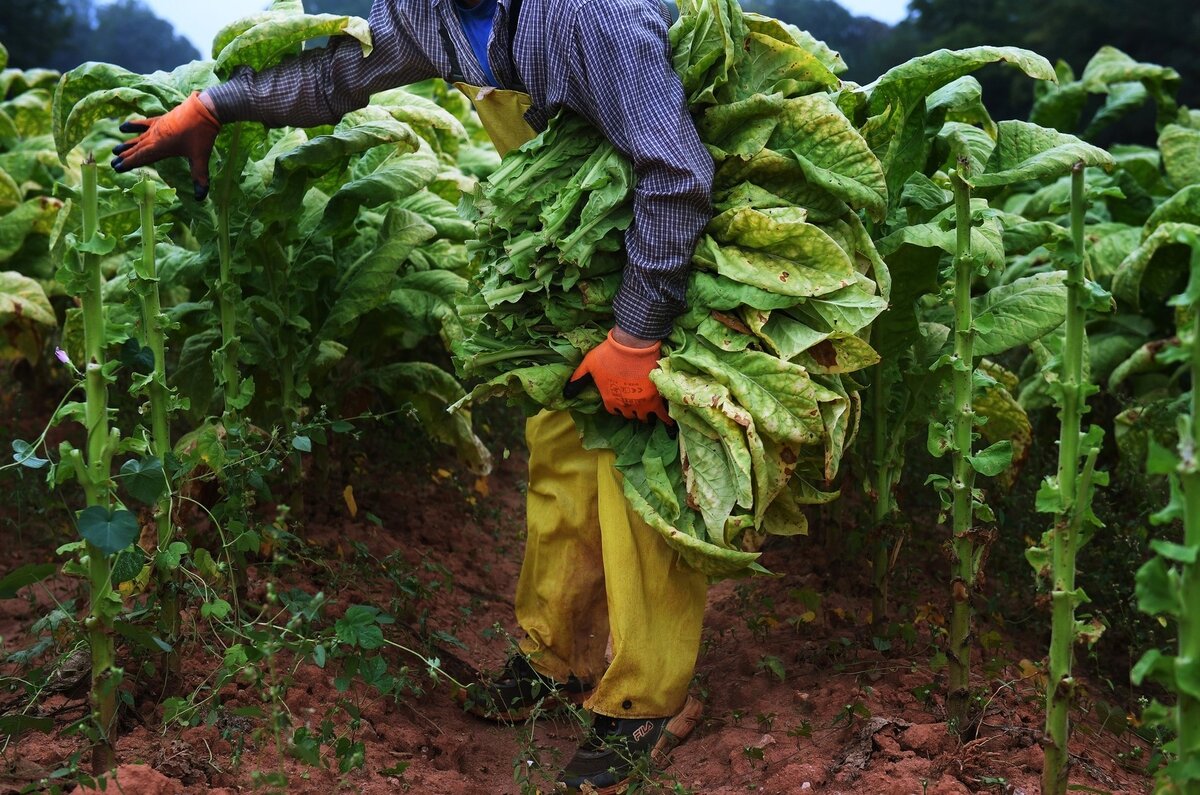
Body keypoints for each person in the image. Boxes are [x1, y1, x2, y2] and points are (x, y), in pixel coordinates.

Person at [112, 0, 714, 789]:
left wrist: (638, 334)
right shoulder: (427, 11)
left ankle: (647, 699)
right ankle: (554, 656)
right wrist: (213, 104)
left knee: (639, 449)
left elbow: (676, 172)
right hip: (579, 222)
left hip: (673, 229)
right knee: (560, 435)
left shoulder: (587, 15)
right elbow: (338, 73)